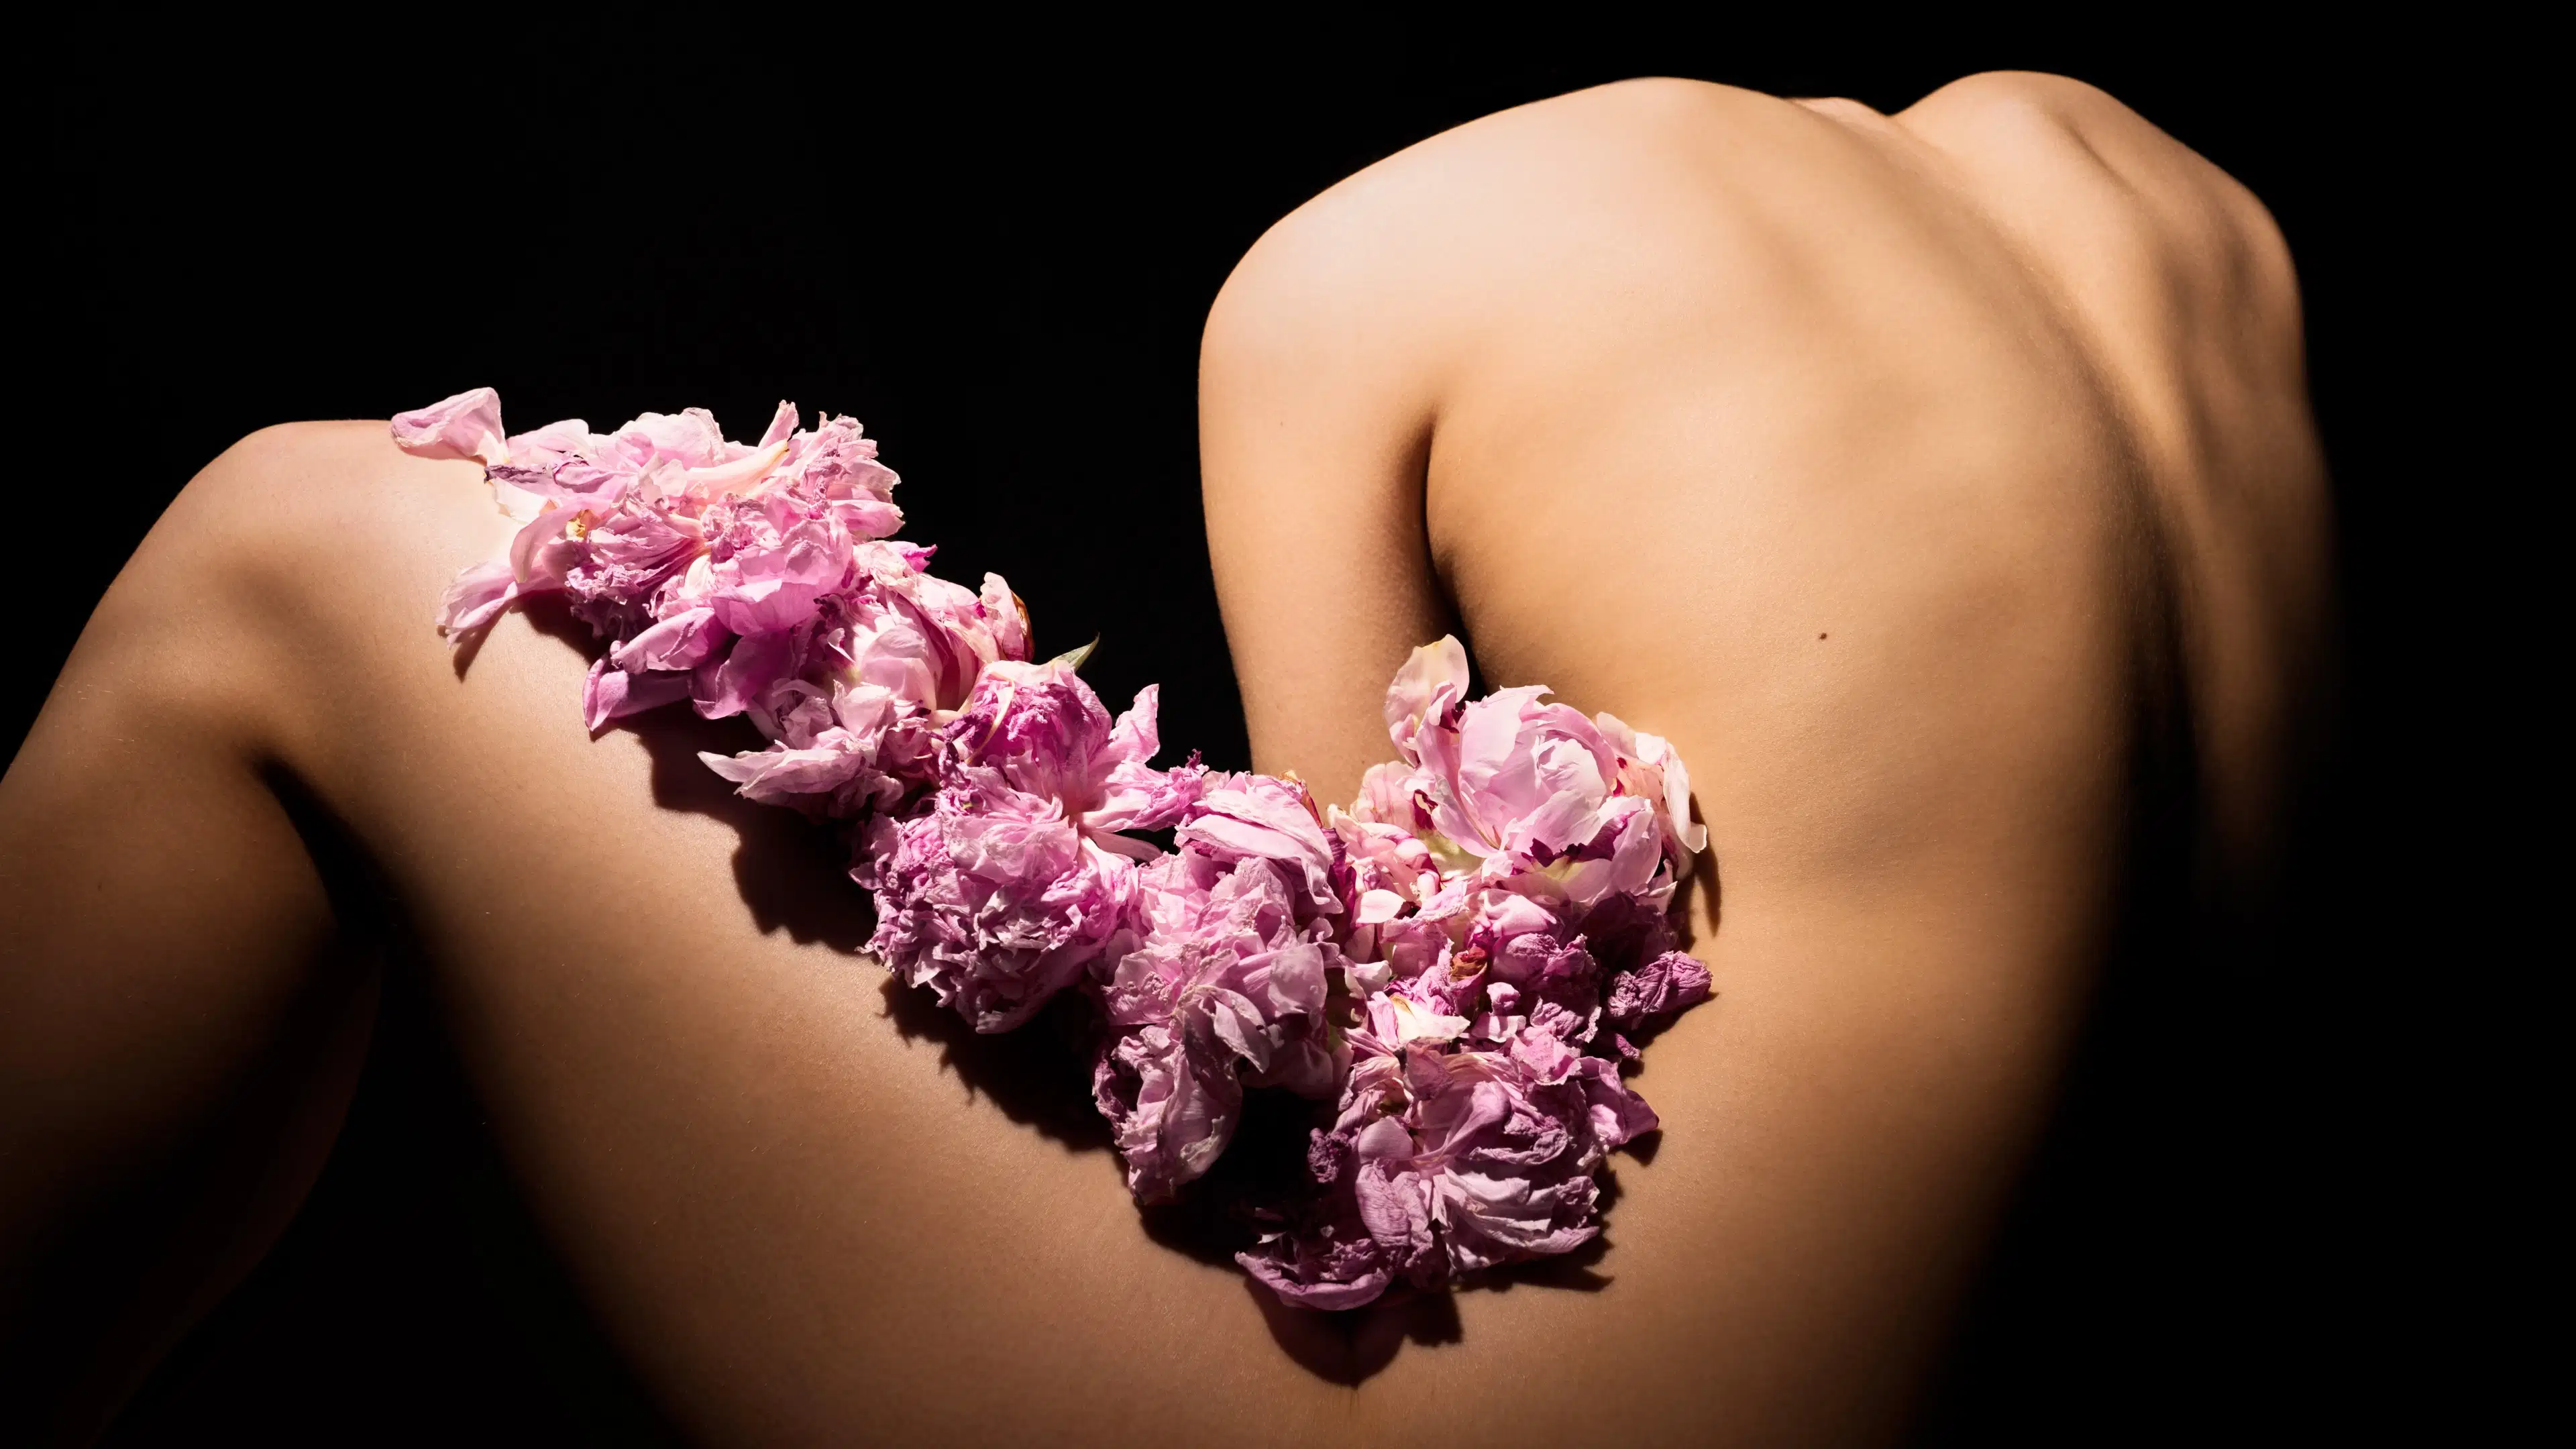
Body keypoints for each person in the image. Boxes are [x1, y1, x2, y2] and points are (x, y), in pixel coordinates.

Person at [0, 72, 2328, 1445]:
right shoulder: (2161, 219)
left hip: (1571, 1409)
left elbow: (1326, 1101)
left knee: (286, 558)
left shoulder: (1365, 272)